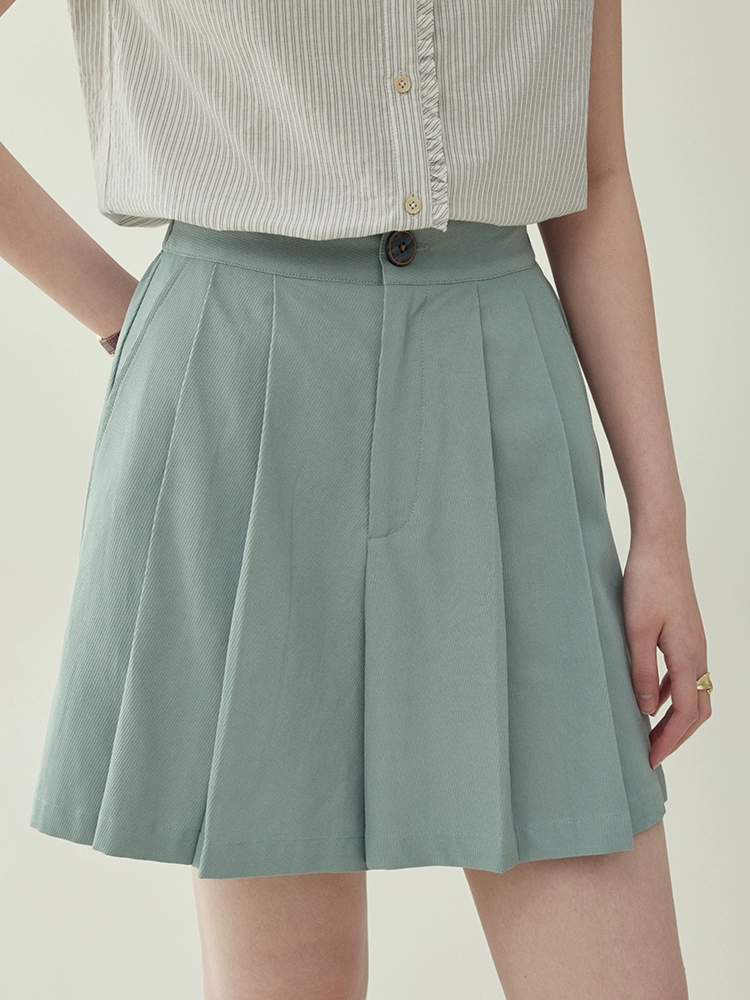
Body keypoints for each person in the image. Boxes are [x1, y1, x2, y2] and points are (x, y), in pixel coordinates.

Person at [2, 0, 711, 997]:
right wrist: (132, 316)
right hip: (243, 392)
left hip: (501, 386)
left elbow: (591, 176)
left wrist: (663, 527)